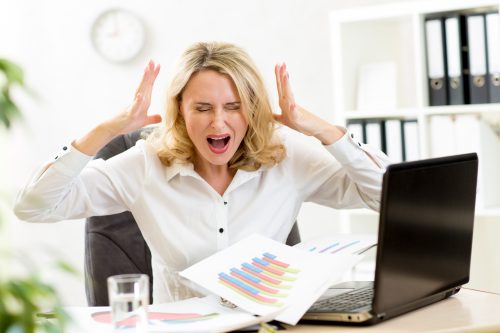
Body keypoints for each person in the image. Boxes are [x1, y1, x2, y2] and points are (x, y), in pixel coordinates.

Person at [14, 41, 390, 303]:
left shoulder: (286, 157)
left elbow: (389, 195)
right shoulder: (145, 164)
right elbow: (33, 207)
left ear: (252, 108)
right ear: (179, 110)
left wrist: (324, 131)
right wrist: (106, 131)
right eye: (203, 108)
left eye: (233, 106)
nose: (219, 123)